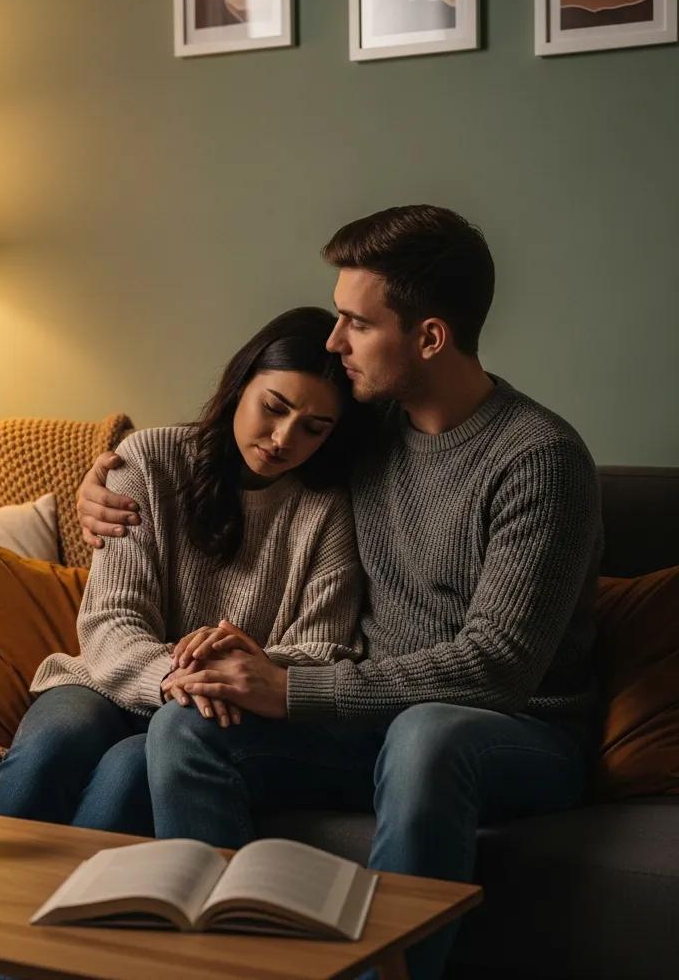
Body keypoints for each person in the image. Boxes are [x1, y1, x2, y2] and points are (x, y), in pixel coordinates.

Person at [77, 205, 603, 980]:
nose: (333, 342)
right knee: (181, 732)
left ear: (428, 338)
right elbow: (222, 450)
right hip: (370, 724)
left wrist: (292, 691)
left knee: (430, 735)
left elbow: (498, 667)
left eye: (356, 323)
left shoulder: (540, 459)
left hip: (512, 735)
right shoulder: (362, 430)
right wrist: (101, 480)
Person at [0, 305, 368, 837]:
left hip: (216, 709)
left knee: (129, 770)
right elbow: (110, 621)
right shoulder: (149, 461)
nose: (283, 438)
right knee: (56, 742)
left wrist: (230, 671)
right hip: (106, 682)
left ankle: (71, 916)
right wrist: (176, 677)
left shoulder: (328, 507)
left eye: (313, 428)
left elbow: (323, 648)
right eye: (273, 408)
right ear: (240, 383)